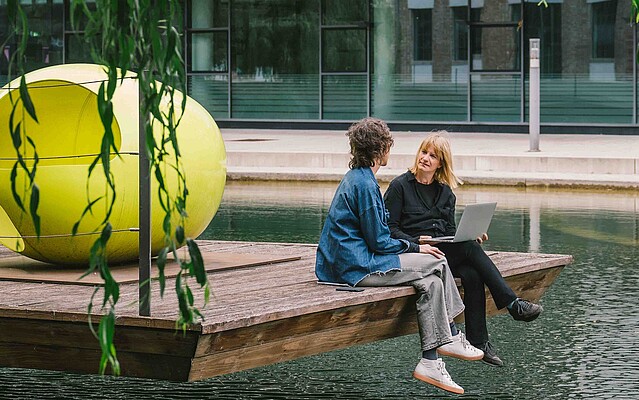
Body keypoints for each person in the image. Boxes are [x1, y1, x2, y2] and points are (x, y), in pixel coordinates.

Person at [315, 118, 483, 395]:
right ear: (381, 149)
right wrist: (417, 247)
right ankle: (451, 334)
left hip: (355, 260)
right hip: (357, 267)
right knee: (437, 261)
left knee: (431, 282)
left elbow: (378, 237)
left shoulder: (358, 178)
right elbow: (380, 241)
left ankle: (430, 361)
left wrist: (415, 245)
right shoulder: (366, 186)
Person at [383, 131, 544, 367]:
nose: (425, 158)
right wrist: (418, 242)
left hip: (442, 252)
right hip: (414, 253)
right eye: (424, 152)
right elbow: (387, 230)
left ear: (441, 164)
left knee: (471, 270)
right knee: (469, 261)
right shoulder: (399, 187)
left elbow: (450, 231)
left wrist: (470, 236)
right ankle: (511, 305)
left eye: (433, 156)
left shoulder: (446, 193)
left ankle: (479, 342)